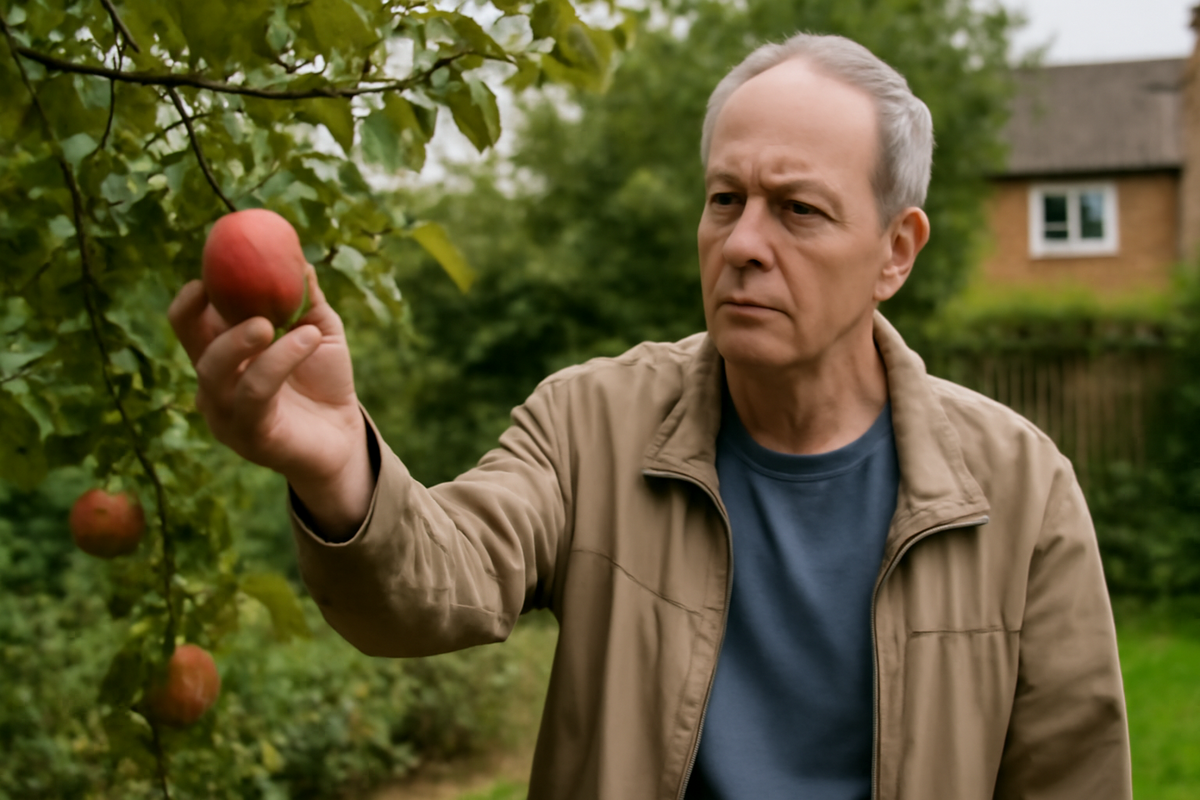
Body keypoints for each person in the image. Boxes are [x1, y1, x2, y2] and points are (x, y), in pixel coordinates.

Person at [169, 32, 1131, 800]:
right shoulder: (592, 423)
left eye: (797, 210)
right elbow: (436, 583)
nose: (743, 243)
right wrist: (340, 468)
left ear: (896, 251)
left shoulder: (1021, 490)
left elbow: (1072, 774)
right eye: (725, 199)